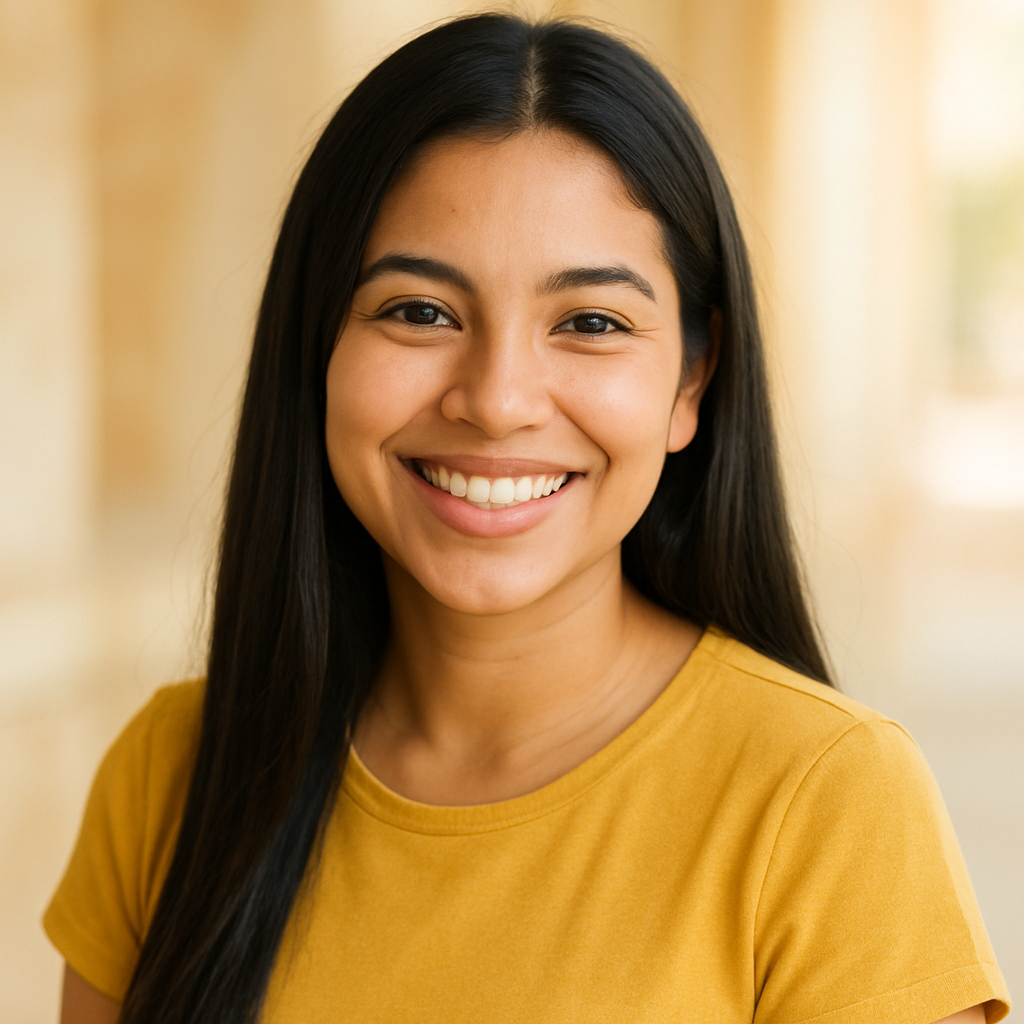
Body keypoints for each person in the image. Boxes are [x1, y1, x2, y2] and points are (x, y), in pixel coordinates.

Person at [46, 14, 1010, 1024]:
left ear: (692, 379)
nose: (498, 398)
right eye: (418, 310)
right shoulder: (171, 775)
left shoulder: (827, 802)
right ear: (315, 347)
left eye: (590, 323)